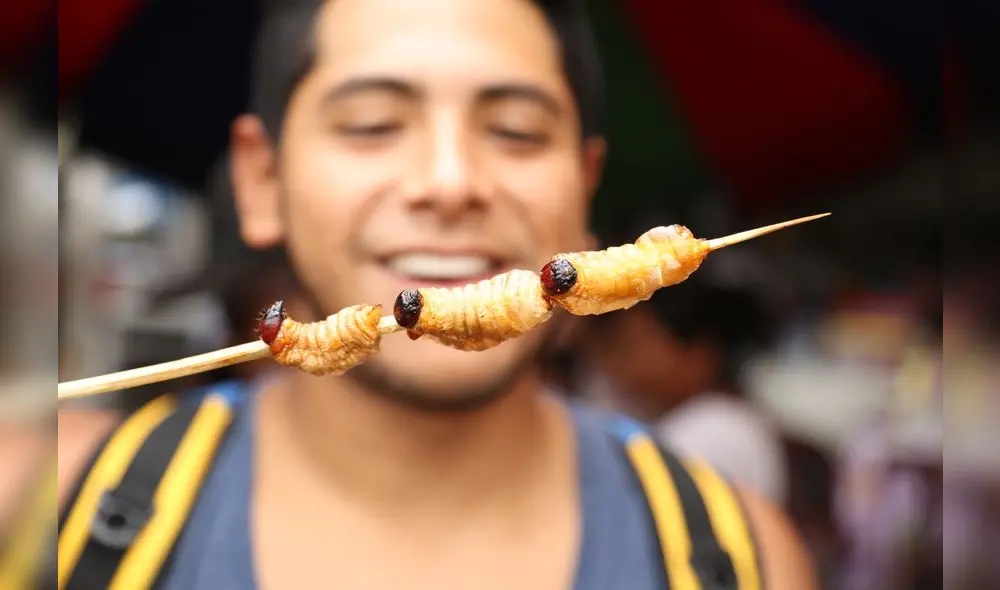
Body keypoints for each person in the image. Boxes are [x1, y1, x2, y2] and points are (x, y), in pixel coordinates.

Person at [51, 0, 817, 588]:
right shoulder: (52, 504)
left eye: (516, 131)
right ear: (263, 181)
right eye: (374, 123)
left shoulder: (741, 553)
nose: (450, 183)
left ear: (584, 190)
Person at [574, 251, 791, 506]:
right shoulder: (661, 416)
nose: (623, 360)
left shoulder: (719, 427)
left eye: (637, 342)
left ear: (697, 353)